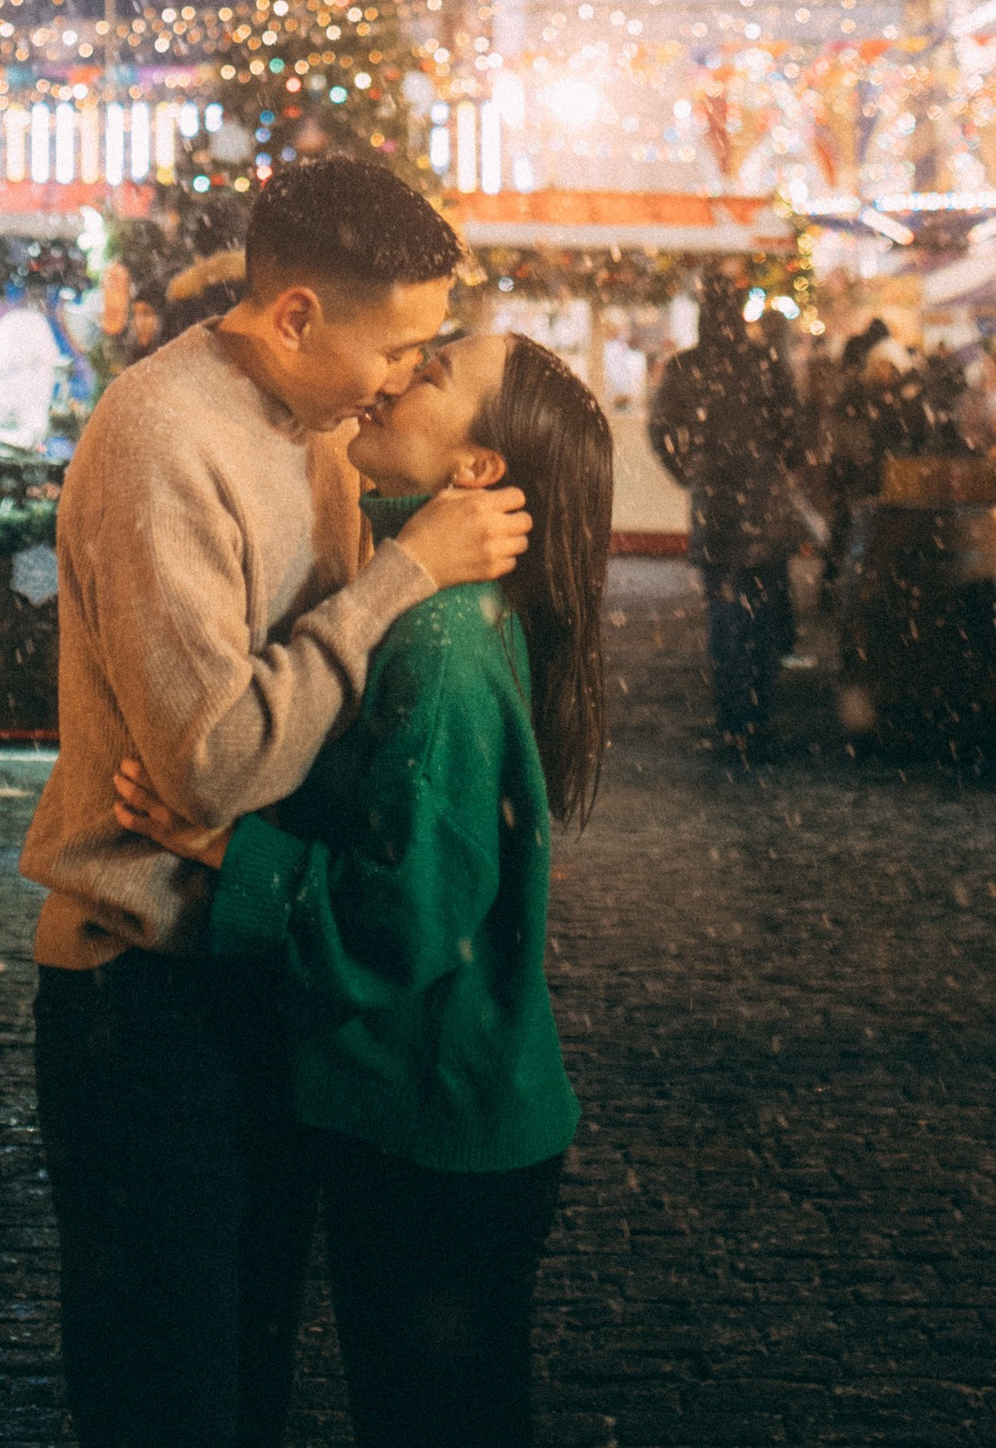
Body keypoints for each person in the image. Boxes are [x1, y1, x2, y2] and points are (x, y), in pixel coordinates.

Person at [23, 153, 529, 1448]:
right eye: (395, 347)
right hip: (144, 988)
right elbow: (214, 761)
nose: (402, 379)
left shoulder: (314, 429)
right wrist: (404, 575)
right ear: (297, 316)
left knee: (249, 1373)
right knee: (171, 1390)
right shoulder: (164, 438)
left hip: (250, 962)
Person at [117, 329, 610, 1448]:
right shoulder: (430, 603)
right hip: (433, 1111)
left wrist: (225, 853)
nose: (396, 376)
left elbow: (404, 917)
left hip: (437, 1124)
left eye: (431, 373)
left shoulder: (440, 642)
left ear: (476, 469)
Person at [649, 263, 807, 762]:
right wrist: (779, 465)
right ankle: (758, 712)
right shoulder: (765, 362)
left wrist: (688, 471)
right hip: (765, 508)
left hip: (716, 509)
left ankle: (734, 718)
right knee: (763, 616)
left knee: (726, 617)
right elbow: (795, 429)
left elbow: (659, 431)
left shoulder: (685, 368)